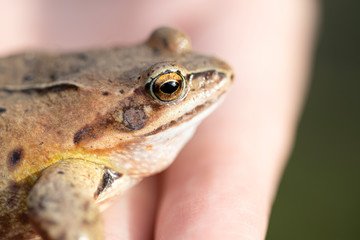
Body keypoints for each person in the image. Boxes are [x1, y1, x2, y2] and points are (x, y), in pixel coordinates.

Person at [0, 1, 318, 239]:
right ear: (131, 113)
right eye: (169, 88)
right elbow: (53, 206)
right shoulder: (81, 165)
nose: (208, 74)